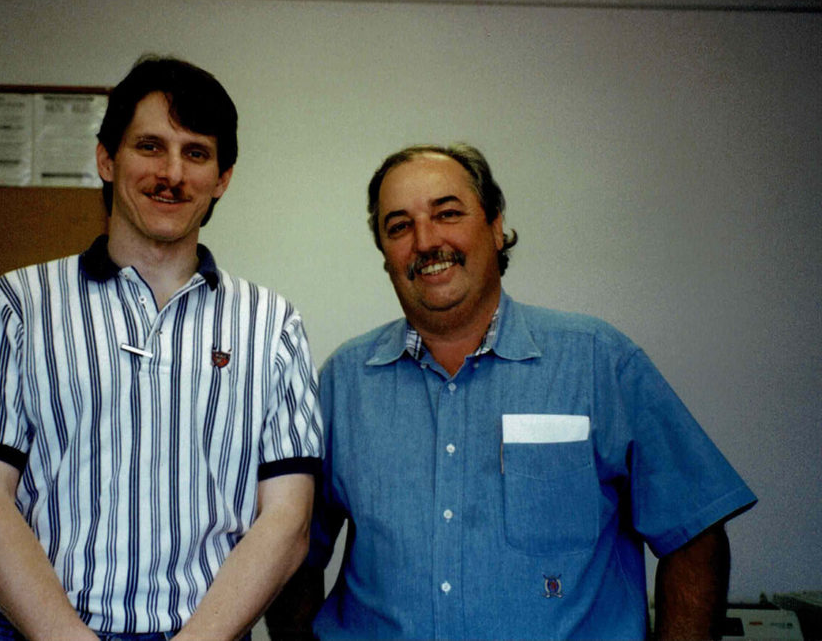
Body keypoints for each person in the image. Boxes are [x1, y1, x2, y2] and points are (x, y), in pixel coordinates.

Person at [267, 143, 756, 640]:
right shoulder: (344, 381)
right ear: (385, 255)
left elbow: (694, 535)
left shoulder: (597, 361)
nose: (425, 240)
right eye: (399, 226)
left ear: (496, 225)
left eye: (447, 213)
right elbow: (288, 548)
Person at [0, 55, 323, 641]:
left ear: (222, 178)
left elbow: (288, 521)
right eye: (150, 146)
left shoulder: (272, 326)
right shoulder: (15, 306)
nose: (171, 172)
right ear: (105, 158)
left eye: (196, 153)